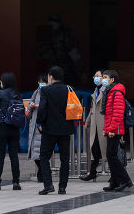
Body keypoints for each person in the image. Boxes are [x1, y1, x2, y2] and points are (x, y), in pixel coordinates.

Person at [36, 65, 73, 195]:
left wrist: (39, 122)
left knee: (44, 156)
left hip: (49, 129)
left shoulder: (46, 90)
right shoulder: (68, 89)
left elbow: (42, 109)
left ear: (51, 77)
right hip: (65, 129)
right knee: (65, 159)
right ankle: (62, 187)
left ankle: (48, 184)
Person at [0, 72, 24, 190]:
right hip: (14, 128)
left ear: (4, 81)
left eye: (1, 80)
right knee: (14, 155)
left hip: (1, 126)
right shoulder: (17, 94)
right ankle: (16, 182)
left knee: (0, 155)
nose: (0, 82)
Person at [102, 69, 133, 191]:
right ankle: (115, 181)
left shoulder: (117, 93)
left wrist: (111, 129)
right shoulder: (109, 92)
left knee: (112, 155)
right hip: (111, 129)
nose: (103, 80)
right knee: (110, 156)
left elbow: (117, 114)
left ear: (112, 80)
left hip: (115, 129)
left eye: (105, 77)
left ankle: (125, 180)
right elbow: (108, 114)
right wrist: (106, 128)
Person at [81, 69, 108, 181]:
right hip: (95, 125)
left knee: (107, 150)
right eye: (95, 76)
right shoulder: (96, 91)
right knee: (94, 148)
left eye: (98, 76)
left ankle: (116, 174)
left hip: (104, 124)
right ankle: (92, 172)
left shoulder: (106, 90)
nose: (95, 78)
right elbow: (92, 109)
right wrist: (87, 122)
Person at [25, 74, 46, 182]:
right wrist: (32, 107)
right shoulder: (36, 91)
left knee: (41, 152)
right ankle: (42, 172)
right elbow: (28, 108)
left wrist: (40, 107)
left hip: (43, 125)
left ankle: (42, 174)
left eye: (43, 81)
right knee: (35, 152)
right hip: (34, 126)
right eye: (39, 81)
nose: (41, 83)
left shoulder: (49, 92)